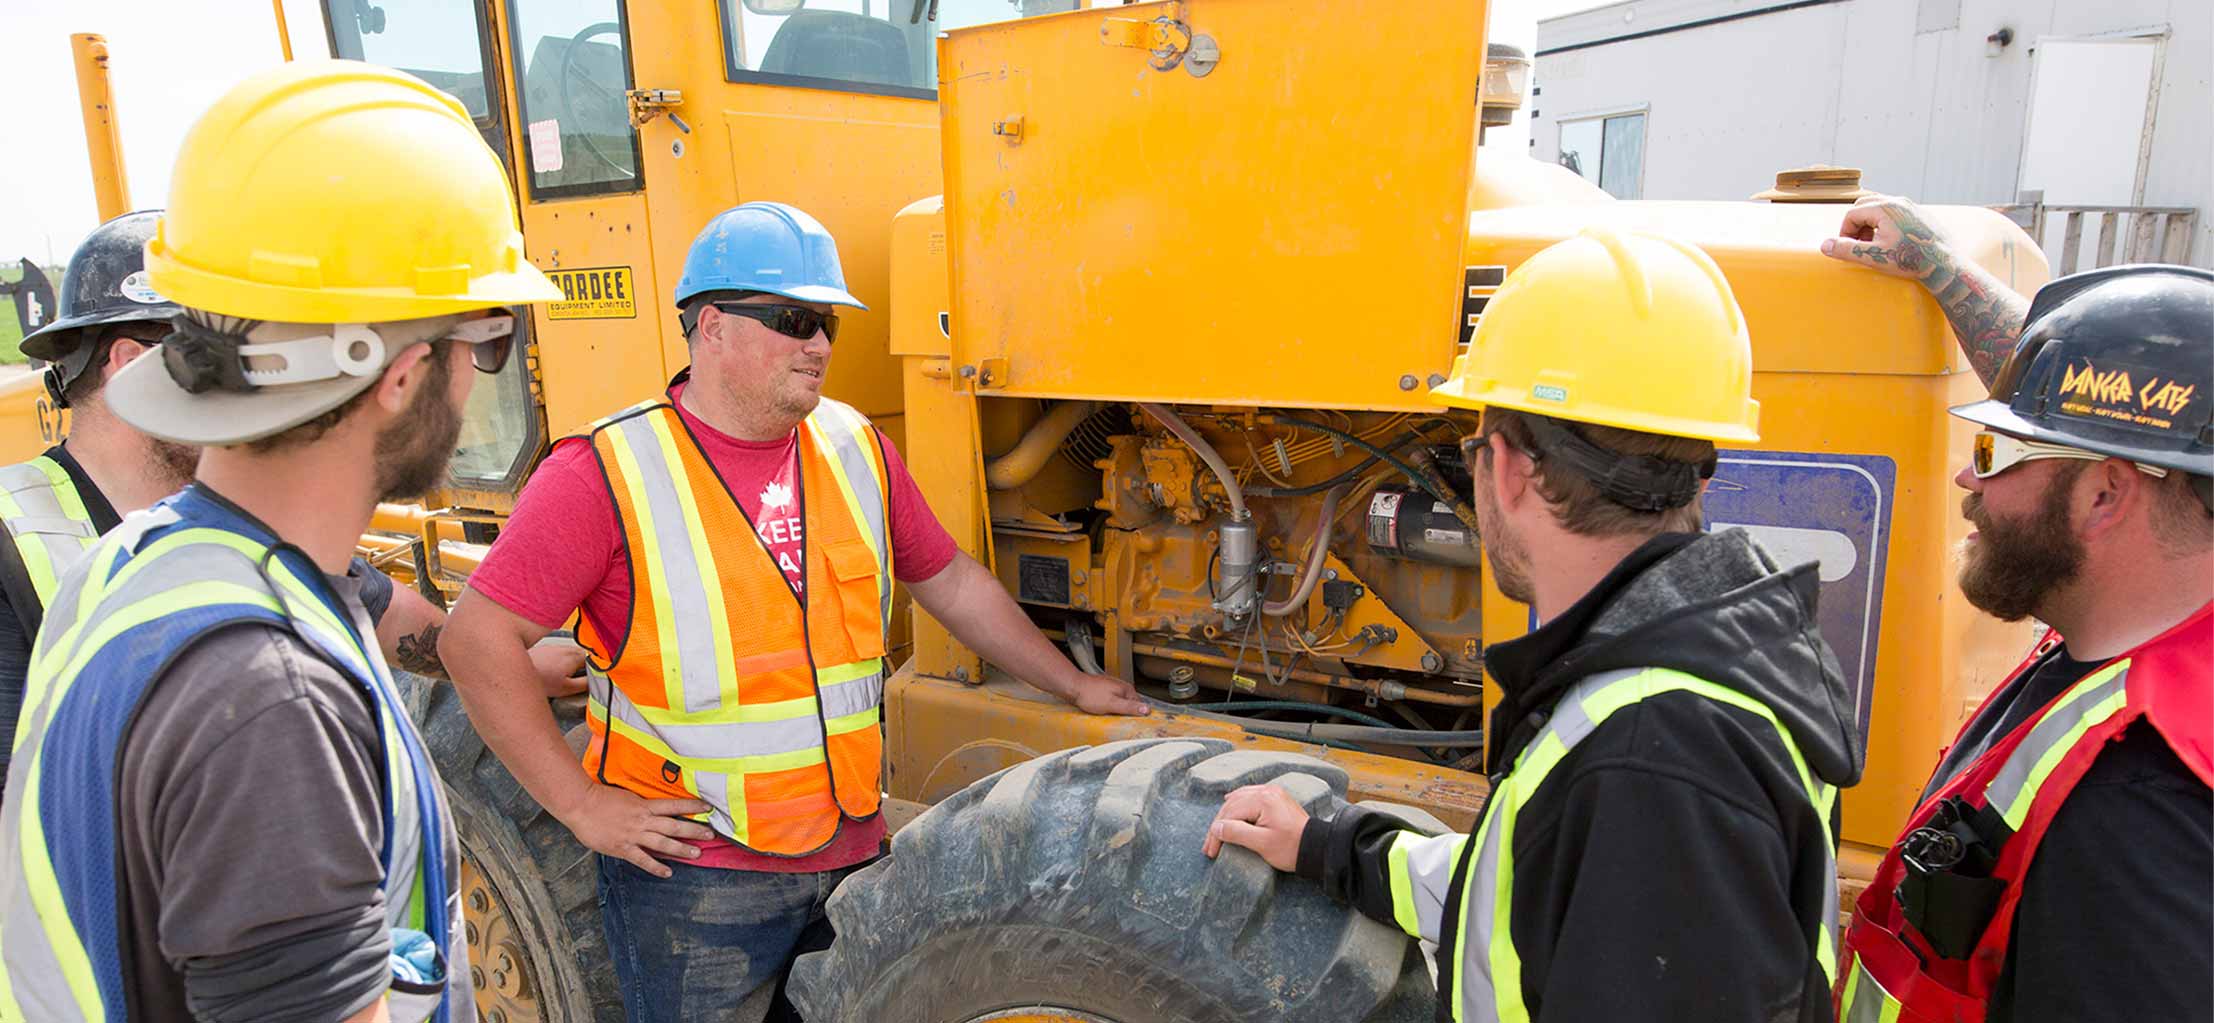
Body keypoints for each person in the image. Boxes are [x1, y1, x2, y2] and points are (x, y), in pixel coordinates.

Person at [438, 200, 1149, 1023]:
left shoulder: (854, 447)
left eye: (828, 324)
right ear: (712, 327)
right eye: (793, 318)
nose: (819, 343)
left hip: (853, 855)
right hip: (698, 881)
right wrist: (581, 806)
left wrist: (1073, 683)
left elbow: (948, 578)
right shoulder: (605, 471)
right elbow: (476, 639)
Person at [0, 60, 562, 1023]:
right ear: (398, 375)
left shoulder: (133, 567)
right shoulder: (270, 703)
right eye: (490, 338)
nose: (482, 376)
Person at [1205, 227, 1862, 1022]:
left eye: (1472, 450)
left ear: (1509, 466)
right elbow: (1531, 891)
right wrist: (1331, 846)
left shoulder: (1655, 765)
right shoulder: (1677, 664)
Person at [0, 213, 585, 801]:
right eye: (236, 356)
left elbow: (380, 609)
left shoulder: (225, 519)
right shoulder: (17, 538)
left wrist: (505, 669)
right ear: (132, 364)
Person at [1829, 260, 2212, 1021]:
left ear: (2105, 495)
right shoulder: (2123, 654)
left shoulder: (2132, 811)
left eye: (1994, 454)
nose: (1971, 484)